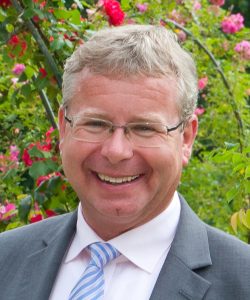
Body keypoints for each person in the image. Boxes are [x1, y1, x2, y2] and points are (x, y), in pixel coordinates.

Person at [0, 25, 249, 300]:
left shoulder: (241, 282)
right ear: (64, 128)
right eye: (95, 124)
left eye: (144, 128)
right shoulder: (6, 259)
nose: (116, 151)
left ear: (186, 138)